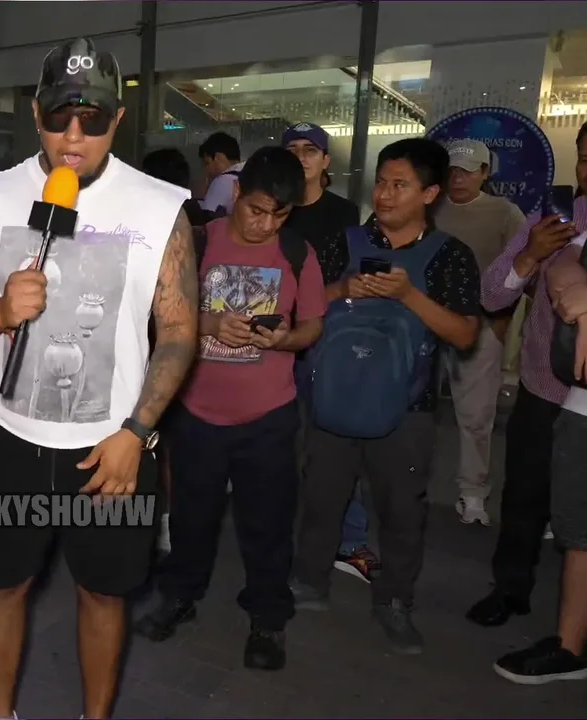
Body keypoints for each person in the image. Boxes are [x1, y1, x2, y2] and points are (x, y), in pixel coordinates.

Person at [0, 38, 198, 719]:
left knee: (105, 594)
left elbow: (178, 331)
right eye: (59, 117)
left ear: (119, 119)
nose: (73, 137)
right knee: (1, 588)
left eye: (93, 119)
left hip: (113, 448)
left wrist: (137, 432)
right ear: (35, 113)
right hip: (7, 438)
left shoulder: (161, 207)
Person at [134, 147, 326, 671]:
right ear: (236, 192)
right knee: (191, 517)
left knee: (268, 523)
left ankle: (267, 617)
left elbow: (312, 324)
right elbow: (157, 316)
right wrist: (211, 325)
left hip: (268, 416)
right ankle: (180, 596)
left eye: (279, 215)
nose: (265, 225)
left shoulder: (298, 253)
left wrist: (285, 339)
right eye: (256, 210)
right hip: (197, 411)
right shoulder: (196, 242)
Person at [291, 138, 481, 655]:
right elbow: (303, 307)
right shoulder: (344, 242)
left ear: (430, 193)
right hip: (333, 398)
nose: (385, 194)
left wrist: (408, 295)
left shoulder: (450, 256)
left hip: (407, 410)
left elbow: (465, 334)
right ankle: (308, 580)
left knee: (402, 511)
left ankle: (394, 600)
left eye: (400, 185)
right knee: (321, 497)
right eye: (381, 182)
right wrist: (342, 290)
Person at [496, 113, 587, 684]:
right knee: (569, 523)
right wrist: (540, 263)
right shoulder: (575, 221)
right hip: (571, 396)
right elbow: (550, 277)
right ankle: (547, 626)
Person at [465, 121, 587, 631]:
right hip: (546, 385)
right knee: (525, 494)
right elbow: (492, 294)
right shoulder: (553, 216)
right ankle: (510, 588)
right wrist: (531, 254)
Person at [280, 122, 380, 584]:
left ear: (325, 161)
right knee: (278, 446)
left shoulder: (345, 214)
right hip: (272, 344)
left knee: (335, 444)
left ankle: (350, 540)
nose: (301, 157)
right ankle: (278, 536)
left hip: (325, 343)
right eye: (293, 149)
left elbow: (350, 282)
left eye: (310, 150)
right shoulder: (271, 209)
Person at [435, 139, 527, 526]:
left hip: (479, 324)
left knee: (475, 415)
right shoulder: (430, 207)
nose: (458, 177)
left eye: (468, 171)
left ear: (485, 173)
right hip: (425, 319)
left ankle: (472, 492)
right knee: (408, 407)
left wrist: (502, 319)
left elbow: (523, 267)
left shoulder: (505, 213)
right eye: (453, 170)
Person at [139, 147, 212, 555]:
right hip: (185, 347)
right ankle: (170, 522)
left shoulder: (150, 218)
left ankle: (162, 521)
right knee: (172, 442)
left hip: (152, 342)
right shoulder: (201, 220)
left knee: (155, 439)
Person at [199, 132, 244, 216]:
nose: (207, 170)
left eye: (207, 163)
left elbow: (206, 218)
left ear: (218, 157)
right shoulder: (252, 174)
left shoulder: (222, 181)